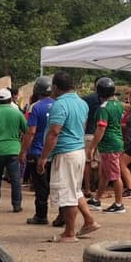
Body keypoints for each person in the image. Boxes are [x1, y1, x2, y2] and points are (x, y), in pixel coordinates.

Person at [38, 72, 99, 242]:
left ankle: (69, 233)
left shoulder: (60, 105)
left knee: (67, 193)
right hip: (78, 150)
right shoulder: (82, 103)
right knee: (75, 190)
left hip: (66, 153)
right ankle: (89, 221)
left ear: (55, 87)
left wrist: (43, 157)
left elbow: (54, 132)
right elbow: (82, 126)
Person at [0, 88, 28, 212]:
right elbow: (27, 131)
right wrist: (23, 148)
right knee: (15, 179)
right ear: (10, 99)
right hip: (14, 150)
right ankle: (16, 204)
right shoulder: (17, 113)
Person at [88, 78, 125, 213]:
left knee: (115, 176)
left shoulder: (103, 108)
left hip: (109, 145)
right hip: (116, 141)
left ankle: (119, 204)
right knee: (104, 173)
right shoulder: (118, 105)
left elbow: (101, 128)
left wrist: (92, 147)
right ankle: (97, 199)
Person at [23, 77, 56, 225]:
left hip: (37, 151)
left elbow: (31, 132)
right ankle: (62, 215)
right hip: (54, 151)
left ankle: (41, 215)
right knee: (55, 184)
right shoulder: (57, 105)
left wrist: (23, 151)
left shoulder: (35, 107)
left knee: (41, 187)